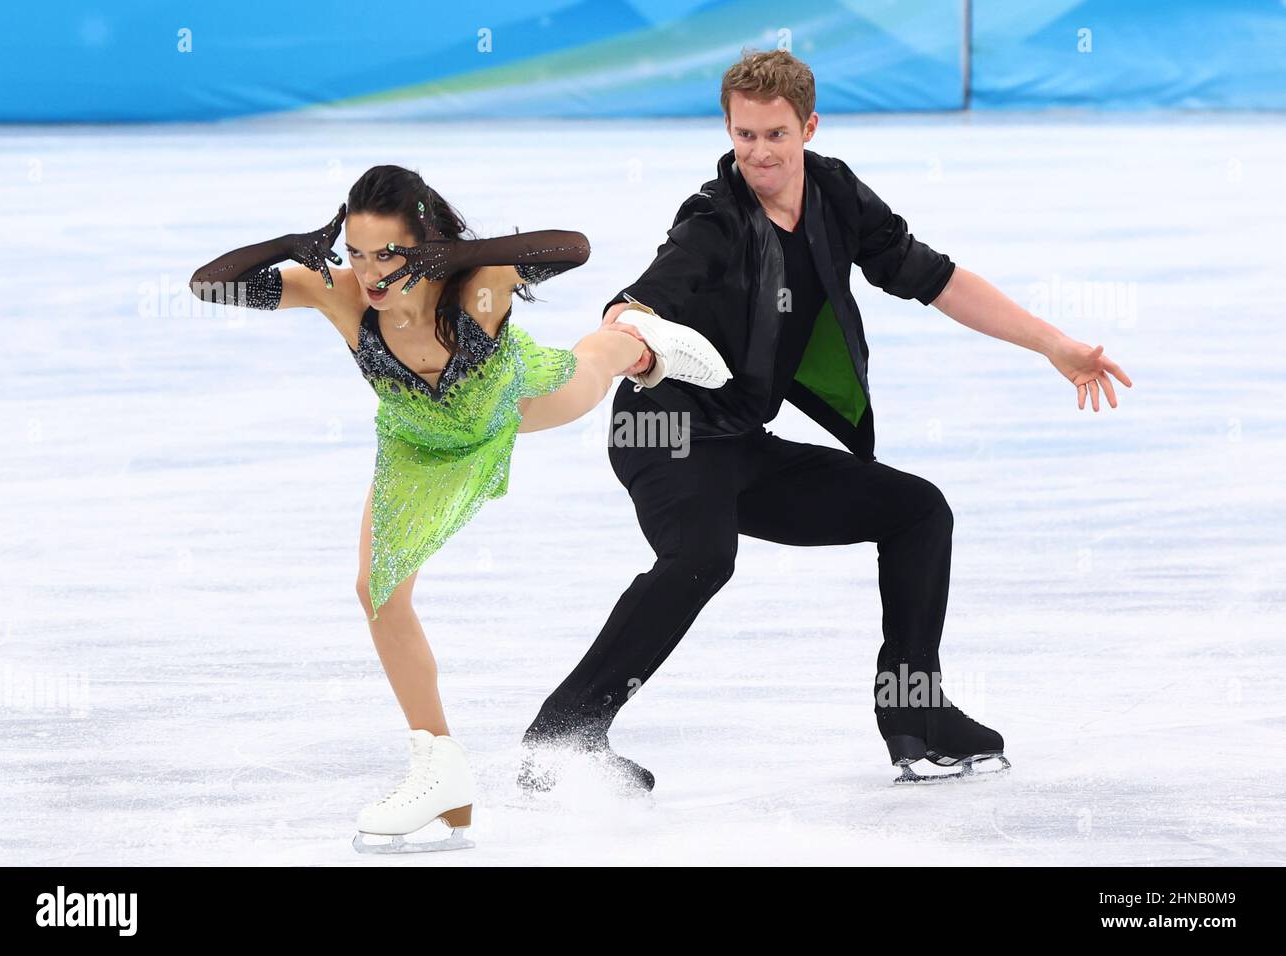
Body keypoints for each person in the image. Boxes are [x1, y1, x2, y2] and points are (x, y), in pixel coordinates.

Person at [521, 50, 1133, 789]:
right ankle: (562, 734)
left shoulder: (835, 195)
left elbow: (935, 278)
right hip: (666, 435)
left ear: (809, 127)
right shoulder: (713, 220)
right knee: (701, 557)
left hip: (739, 441)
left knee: (917, 511)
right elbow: (639, 303)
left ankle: (916, 716)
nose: (758, 153)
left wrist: (1053, 344)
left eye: (775, 135)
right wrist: (623, 339)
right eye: (744, 135)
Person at [190, 164, 731, 850]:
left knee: (593, 368)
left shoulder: (476, 285)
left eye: (387, 253)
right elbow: (209, 285)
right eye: (356, 252)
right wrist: (290, 244)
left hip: (515, 403)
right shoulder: (339, 291)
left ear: (423, 245)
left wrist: (455, 256)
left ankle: (636, 338)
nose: (369, 272)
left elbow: (573, 247)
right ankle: (439, 768)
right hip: (416, 447)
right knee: (377, 589)